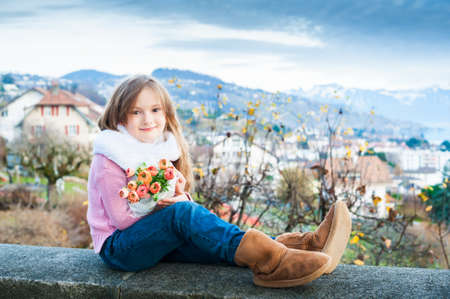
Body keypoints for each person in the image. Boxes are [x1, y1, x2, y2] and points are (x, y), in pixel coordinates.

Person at [87, 75, 352, 288]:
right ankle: (271, 262)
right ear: (121, 116)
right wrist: (171, 208)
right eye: (136, 112)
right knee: (185, 216)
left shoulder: (159, 149)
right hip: (120, 247)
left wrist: (180, 198)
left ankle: (304, 247)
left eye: (155, 109)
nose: (148, 119)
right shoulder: (111, 155)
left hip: (152, 240)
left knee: (213, 238)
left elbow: (178, 207)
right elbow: (122, 220)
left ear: (166, 113)